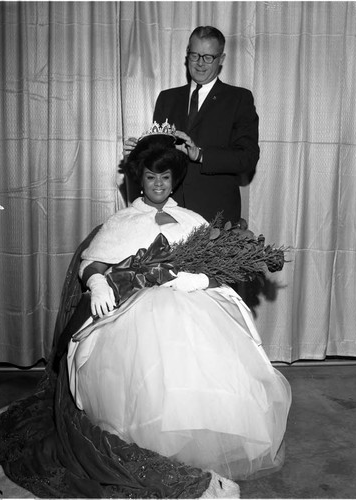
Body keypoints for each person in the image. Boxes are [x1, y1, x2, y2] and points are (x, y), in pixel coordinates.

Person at [67, 127, 291, 487]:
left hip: (193, 302)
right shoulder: (121, 221)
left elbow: (221, 272)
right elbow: (94, 261)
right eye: (151, 176)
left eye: (165, 177)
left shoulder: (193, 220)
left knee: (203, 345)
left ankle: (202, 428)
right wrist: (95, 282)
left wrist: (200, 281)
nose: (158, 184)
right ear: (140, 179)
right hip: (135, 308)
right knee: (153, 341)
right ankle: (152, 433)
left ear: (174, 180)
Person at [125, 25, 259, 223]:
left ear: (221, 59)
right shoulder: (167, 98)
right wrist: (139, 152)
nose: (200, 63)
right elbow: (159, 158)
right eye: (195, 55)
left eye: (208, 57)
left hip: (216, 215)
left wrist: (201, 155)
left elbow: (247, 158)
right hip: (169, 212)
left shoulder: (239, 99)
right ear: (187, 54)